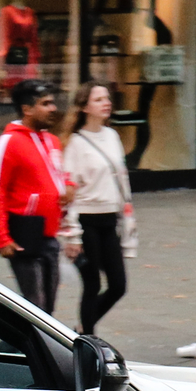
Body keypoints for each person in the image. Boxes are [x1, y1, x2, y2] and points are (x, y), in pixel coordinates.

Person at [59, 81, 136, 334]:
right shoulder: (75, 143)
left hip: (109, 219)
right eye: (99, 99)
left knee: (118, 285)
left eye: (107, 98)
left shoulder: (112, 136)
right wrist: (72, 234)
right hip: (86, 221)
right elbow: (68, 191)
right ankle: (88, 339)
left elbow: (122, 180)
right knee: (91, 284)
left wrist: (127, 218)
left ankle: (81, 329)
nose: (107, 103)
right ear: (84, 107)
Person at [0, 78, 65, 315]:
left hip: (50, 234)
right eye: (46, 103)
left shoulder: (52, 141)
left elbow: (58, 174)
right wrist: (0, 237)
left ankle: (15, 348)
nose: (53, 108)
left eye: (52, 103)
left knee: (47, 308)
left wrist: (68, 185)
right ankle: (11, 349)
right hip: (24, 234)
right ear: (27, 109)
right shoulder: (8, 142)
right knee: (36, 307)